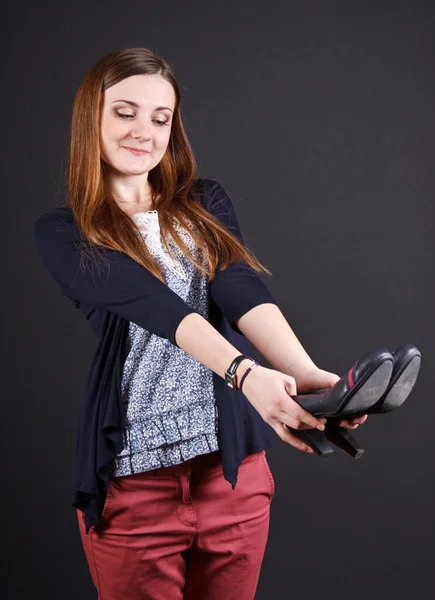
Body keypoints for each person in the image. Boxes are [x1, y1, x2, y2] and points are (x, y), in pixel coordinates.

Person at [33, 47, 367, 600]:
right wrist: (245, 374)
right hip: (134, 485)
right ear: (90, 115)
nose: (144, 130)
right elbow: (154, 304)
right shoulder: (64, 232)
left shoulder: (204, 201)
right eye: (125, 111)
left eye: (160, 118)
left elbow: (238, 288)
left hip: (232, 476)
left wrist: (302, 373)